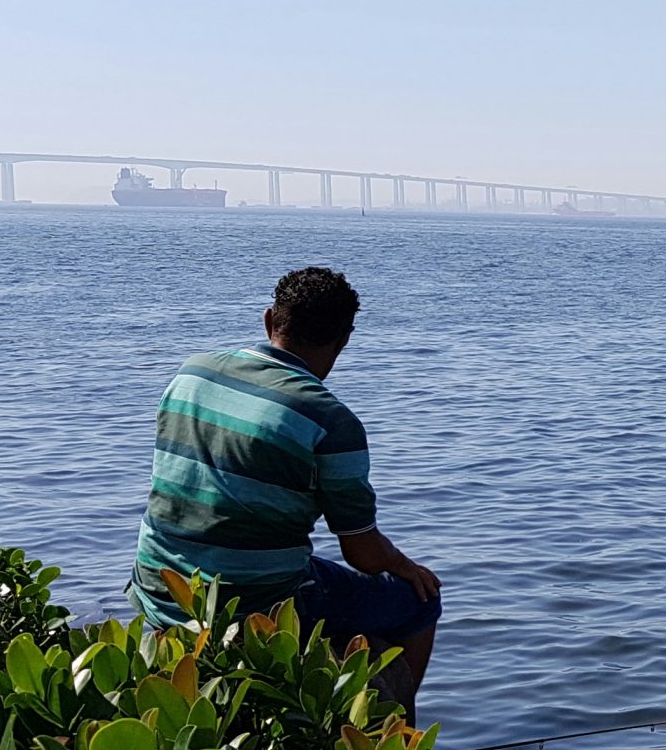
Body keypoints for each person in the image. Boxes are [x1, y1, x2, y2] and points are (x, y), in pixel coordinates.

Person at [130, 266, 443, 716]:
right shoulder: (329, 422)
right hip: (256, 601)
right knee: (420, 603)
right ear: (345, 340)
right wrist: (405, 566)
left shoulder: (191, 373)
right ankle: (398, 746)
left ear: (268, 320)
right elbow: (363, 554)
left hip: (161, 582)